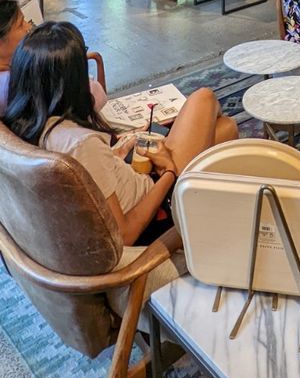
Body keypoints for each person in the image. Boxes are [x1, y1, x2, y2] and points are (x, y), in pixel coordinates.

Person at [5, 22, 238, 247]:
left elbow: (94, 174)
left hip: (128, 180)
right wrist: (168, 171)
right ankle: (214, 216)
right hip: (157, 208)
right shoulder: (82, 144)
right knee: (204, 98)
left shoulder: (25, 125)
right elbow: (125, 235)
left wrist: (115, 154)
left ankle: (212, 198)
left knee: (225, 129)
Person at [0, 0, 107, 120]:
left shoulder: (16, 69)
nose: (29, 26)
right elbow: (97, 96)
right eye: (20, 24)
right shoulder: (15, 80)